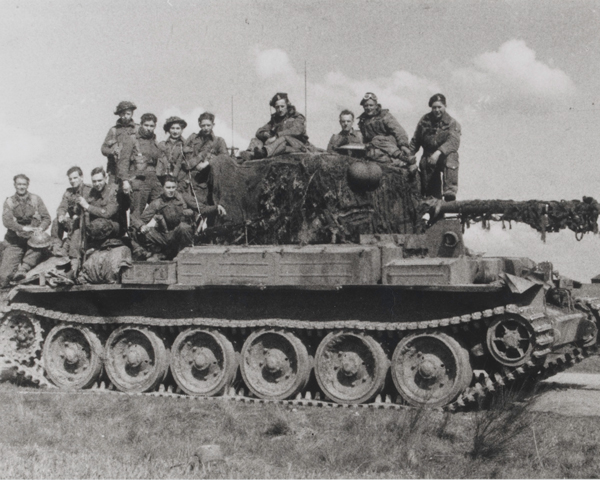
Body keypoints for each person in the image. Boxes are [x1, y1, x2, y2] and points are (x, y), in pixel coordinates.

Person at [133, 176, 226, 260]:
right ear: (163, 188)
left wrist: (216, 207)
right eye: (168, 188)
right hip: (165, 235)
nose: (171, 190)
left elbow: (201, 208)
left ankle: (183, 255)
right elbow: (142, 219)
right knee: (138, 233)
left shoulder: (183, 197)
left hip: (180, 234)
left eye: (173, 187)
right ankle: (156, 252)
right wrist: (141, 226)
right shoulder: (157, 202)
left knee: (183, 227)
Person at [0, 174, 51, 287]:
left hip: (33, 242)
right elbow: (7, 221)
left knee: (41, 243)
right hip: (15, 242)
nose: (21, 187)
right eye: (19, 184)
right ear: (14, 185)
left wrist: (40, 228)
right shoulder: (9, 202)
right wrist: (23, 228)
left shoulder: (36, 199)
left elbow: (46, 218)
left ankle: (23, 270)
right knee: (3, 277)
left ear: (28, 185)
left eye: (24, 184)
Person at [410, 93, 461, 201]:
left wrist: (438, 153)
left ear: (445, 106)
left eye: (439, 107)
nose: (437, 110)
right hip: (428, 159)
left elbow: (453, 142)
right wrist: (407, 155)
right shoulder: (424, 121)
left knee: (452, 156)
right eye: (434, 107)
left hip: (443, 156)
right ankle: (435, 203)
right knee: (432, 196)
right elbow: (416, 141)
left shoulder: (452, 123)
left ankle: (449, 191)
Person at [240, 93, 313, 161]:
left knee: (283, 138)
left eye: (282, 106)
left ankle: (264, 152)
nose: (280, 109)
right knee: (256, 139)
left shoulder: (297, 117)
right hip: (280, 146)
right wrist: (265, 134)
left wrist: (276, 136)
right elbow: (259, 131)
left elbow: (297, 130)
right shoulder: (275, 119)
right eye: (277, 107)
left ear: (287, 106)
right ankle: (250, 153)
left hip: (297, 145)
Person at [54, 166, 92, 275]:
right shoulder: (68, 192)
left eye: (75, 178)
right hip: (72, 222)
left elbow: (91, 208)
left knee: (76, 232)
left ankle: (74, 262)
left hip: (85, 223)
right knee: (55, 222)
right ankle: (56, 248)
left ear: (81, 177)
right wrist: (61, 215)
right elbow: (62, 207)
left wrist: (79, 217)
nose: (72, 181)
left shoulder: (89, 190)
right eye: (70, 179)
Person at [357, 92, 412, 165]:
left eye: (371, 105)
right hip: (376, 146)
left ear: (376, 106)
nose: (369, 108)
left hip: (390, 143)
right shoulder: (363, 121)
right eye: (366, 106)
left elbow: (399, 131)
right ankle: (396, 162)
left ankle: (402, 156)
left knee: (377, 139)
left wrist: (403, 145)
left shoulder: (384, 116)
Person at [128, 113, 165, 220]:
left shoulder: (154, 140)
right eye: (146, 125)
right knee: (137, 210)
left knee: (161, 205)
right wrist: (127, 180)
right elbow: (124, 161)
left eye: (151, 126)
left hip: (154, 178)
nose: (149, 128)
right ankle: (134, 235)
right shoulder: (133, 139)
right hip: (139, 178)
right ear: (141, 124)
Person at [75, 167, 121, 248]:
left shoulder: (113, 191)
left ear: (105, 178)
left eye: (99, 180)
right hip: (96, 226)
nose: (97, 184)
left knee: (99, 225)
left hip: (112, 225)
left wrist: (87, 206)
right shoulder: (92, 192)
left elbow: (107, 213)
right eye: (94, 181)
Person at [101, 101, 139, 185]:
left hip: (133, 169)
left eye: (128, 114)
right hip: (115, 171)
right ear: (119, 114)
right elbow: (103, 148)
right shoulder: (113, 131)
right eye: (122, 114)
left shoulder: (137, 129)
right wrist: (112, 151)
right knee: (112, 195)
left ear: (132, 114)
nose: (125, 116)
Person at [158, 116, 188, 185]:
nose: (175, 131)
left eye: (178, 128)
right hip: (163, 180)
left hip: (180, 181)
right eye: (172, 128)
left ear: (182, 129)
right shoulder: (162, 145)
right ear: (168, 129)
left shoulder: (186, 145)